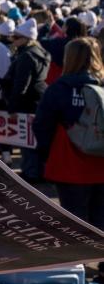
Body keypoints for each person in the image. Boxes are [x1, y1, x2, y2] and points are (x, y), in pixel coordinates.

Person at [35, 38, 104, 224]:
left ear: (69, 58)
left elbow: (42, 127)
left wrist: (45, 156)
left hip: (68, 164)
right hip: (101, 163)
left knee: (76, 224)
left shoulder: (58, 89)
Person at [2, 17, 51, 181]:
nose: (13, 40)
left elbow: (21, 85)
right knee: (37, 138)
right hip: (40, 98)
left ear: (27, 39)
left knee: (26, 139)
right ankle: (37, 171)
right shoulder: (41, 53)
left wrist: (12, 108)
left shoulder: (26, 57)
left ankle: (31, 173)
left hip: (27, 101)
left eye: (16, 37)